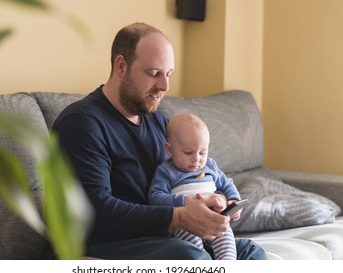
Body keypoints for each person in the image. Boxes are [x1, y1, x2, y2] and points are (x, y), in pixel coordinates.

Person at [52, 22, 267, 260]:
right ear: (121, 66)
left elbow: (181, 177)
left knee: (252, 255)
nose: (164, 86)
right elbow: (96, 211)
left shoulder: (157, 121)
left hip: (159, 237)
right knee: (193, 260)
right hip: (102, 243)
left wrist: (213, 202)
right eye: (154, 74)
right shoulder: (83, 122)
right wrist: (179, 217)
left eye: (168, 74)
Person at [149, 113, 243, 260]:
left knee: (227, 241)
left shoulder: (210, 165)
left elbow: (227, 184)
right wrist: (183, 201)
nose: (196, 159)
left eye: (202, 152)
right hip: (186, 224)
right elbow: (155, 197)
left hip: (215, 219)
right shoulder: (165, 171)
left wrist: (234, 201)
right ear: (169, 150)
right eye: (188, 152)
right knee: (194, 252)